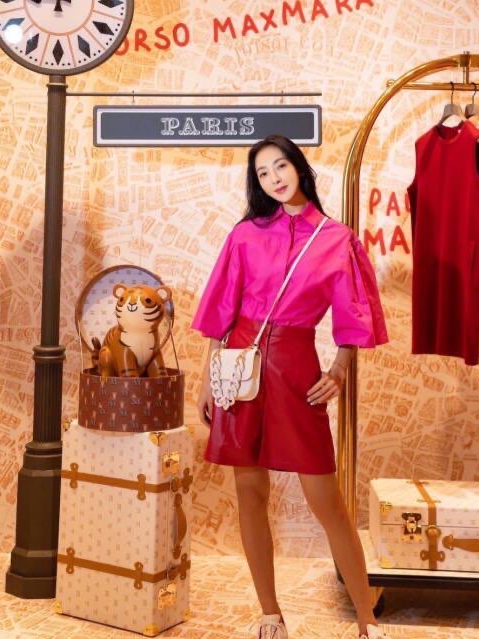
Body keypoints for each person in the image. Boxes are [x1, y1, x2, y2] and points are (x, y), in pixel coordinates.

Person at [191, 135, 390, 639]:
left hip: (296, 365)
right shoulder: (245, 235)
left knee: (327, 500)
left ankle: (367, 619)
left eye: (280, 166)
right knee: (249, 490)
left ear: (299, 167)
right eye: (262, 173)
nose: (274, 178)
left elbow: (354, 312)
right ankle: (270, 614)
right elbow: (221, 309)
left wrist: (339, 370)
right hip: (240, 366)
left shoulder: (336, 239)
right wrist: (208, 378)